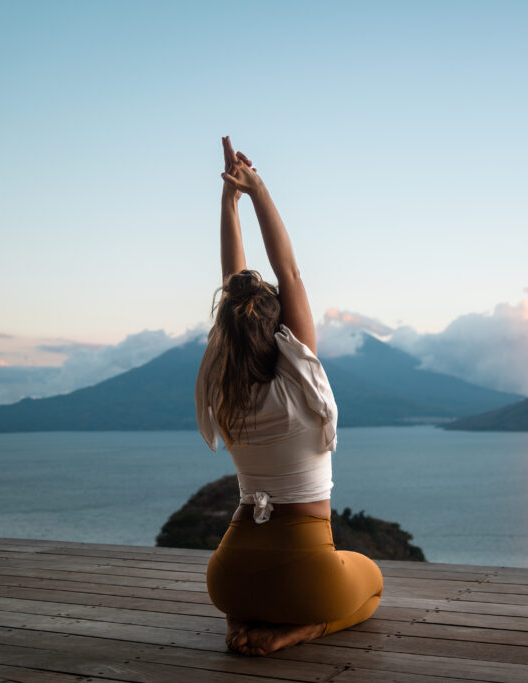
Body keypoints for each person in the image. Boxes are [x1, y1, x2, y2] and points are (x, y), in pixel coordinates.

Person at [195, 136, 383, 656]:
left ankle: (246, 622)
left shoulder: (220, 390)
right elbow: (291, 274)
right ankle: (301, 630)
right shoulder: (299, 387)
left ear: (228, 332)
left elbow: (233, 286)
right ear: (280, 332)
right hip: (305, 577)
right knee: (370, 585)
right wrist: (256, 189)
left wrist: (229, 202)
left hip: (228, 579)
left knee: (268, 587)